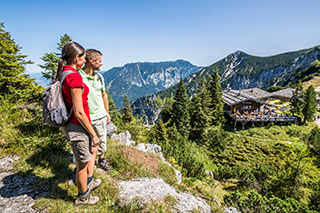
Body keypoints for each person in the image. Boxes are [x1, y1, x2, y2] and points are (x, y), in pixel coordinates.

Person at [57, 41, 101, 205]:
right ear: (76, 58)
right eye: (83, 57)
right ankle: (83, 197)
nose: (85, 60)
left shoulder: (64, 73)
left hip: (70, 123)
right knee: (81, 164)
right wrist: (93, 133)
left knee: (86, 155)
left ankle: (88, 182)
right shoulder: (74, 76)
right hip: (78, 125)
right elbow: (79, 111)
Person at [77, 49, 112, 171]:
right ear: (92, 61)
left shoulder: (99, 77)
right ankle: (83, 169)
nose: (101, 64)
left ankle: (101, 160)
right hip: (86, 117)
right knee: (86, 144)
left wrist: (107, 113)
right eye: (100, 61)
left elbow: (104, 95)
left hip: (100, 116)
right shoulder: (79, 77)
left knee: (102, 141)